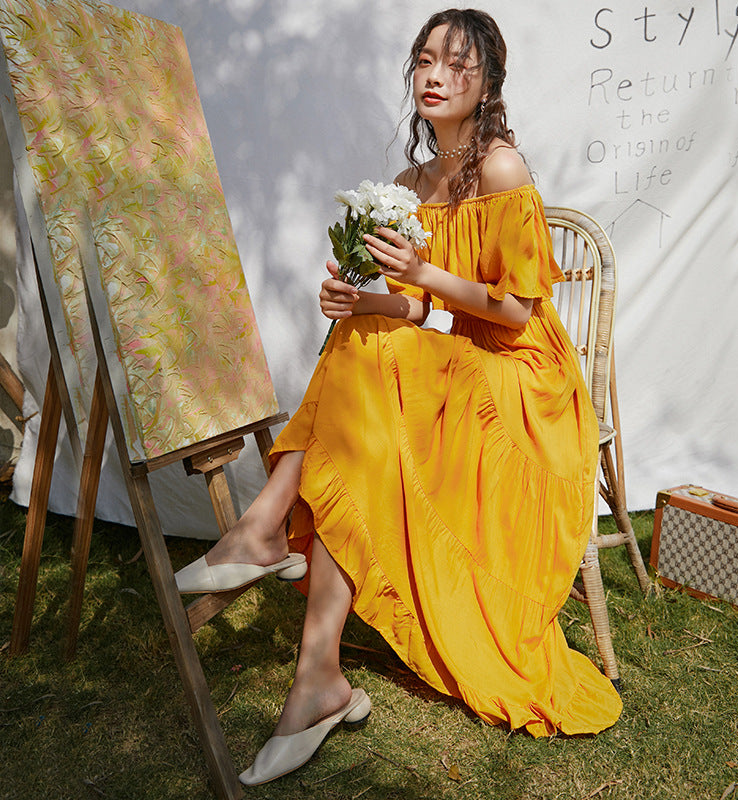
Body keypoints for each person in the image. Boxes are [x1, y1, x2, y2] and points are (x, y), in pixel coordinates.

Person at [175, 7, 623, 786]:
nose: (434, 74)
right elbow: (417, 312)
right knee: (359, 342)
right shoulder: (411, 184)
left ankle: (263, 533)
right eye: (423, 60)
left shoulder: (503, 168)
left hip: (526, 381)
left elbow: (515, 310)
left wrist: (417, 275)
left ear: (487, 84)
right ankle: (312, 668)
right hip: (457, 361)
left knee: (368, 365)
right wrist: (366, 301)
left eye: (456, 63)